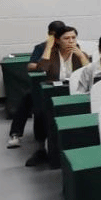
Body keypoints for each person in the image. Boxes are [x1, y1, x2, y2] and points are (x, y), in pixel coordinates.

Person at [29, 25, 89, 167]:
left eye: (73, 38)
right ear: (58, 40)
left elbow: (89, 73)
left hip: (76, 92)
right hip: (55, 91)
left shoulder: (80, 53)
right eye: (66, 38)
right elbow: (42, 68)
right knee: (41, 112)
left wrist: (81, 56)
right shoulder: (52, 54)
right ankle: (41, 149)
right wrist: (48, 47)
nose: (71, 41)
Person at [7, 20, 65, 148]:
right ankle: (15, 134)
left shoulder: (70, 46)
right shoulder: (41, 47)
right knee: (27, 98)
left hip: (64, 83)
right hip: (45, 83)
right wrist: (45, 64)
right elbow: (30, 66)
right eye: (52, 35)